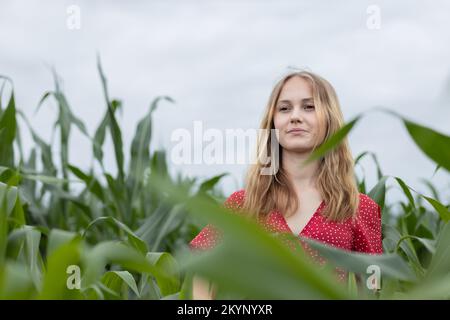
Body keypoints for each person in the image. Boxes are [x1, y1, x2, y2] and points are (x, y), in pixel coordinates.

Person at [189, 70, 383, 299]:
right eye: (284, 108)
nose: (295, 116)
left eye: (309, 107)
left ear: (329, 119)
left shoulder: (358, 208)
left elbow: (374, 286)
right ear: (273, 123)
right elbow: (200, 266)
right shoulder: (244, 204)